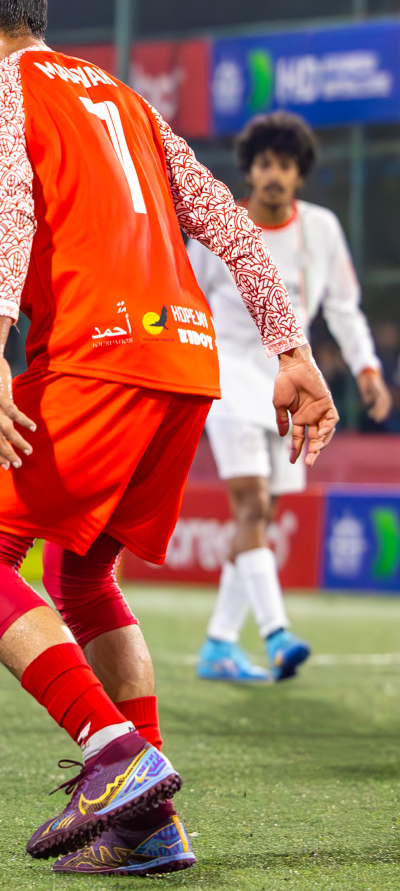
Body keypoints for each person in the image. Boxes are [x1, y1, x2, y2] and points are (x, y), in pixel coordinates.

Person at [0, 0, 338, 877]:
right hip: (185, 362)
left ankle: (114, 754)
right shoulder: (128, 101)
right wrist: (291, 349)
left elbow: (6, 215)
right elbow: (230, 223)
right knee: (82, 578)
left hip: (100, 356)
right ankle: (150, 829)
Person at [189, 112, 392, 683]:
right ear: (249, 172)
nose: (273, 174)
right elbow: (182, 300)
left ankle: (218, 644)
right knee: (250, 505)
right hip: (226, 378)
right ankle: (277, 633)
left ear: (299, 175)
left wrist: (367, 368)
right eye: (263, 164)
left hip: (292, 384)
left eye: (284, 165)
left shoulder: (322, 230)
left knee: (262, 515)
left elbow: (344, 308)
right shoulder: (219, 228)